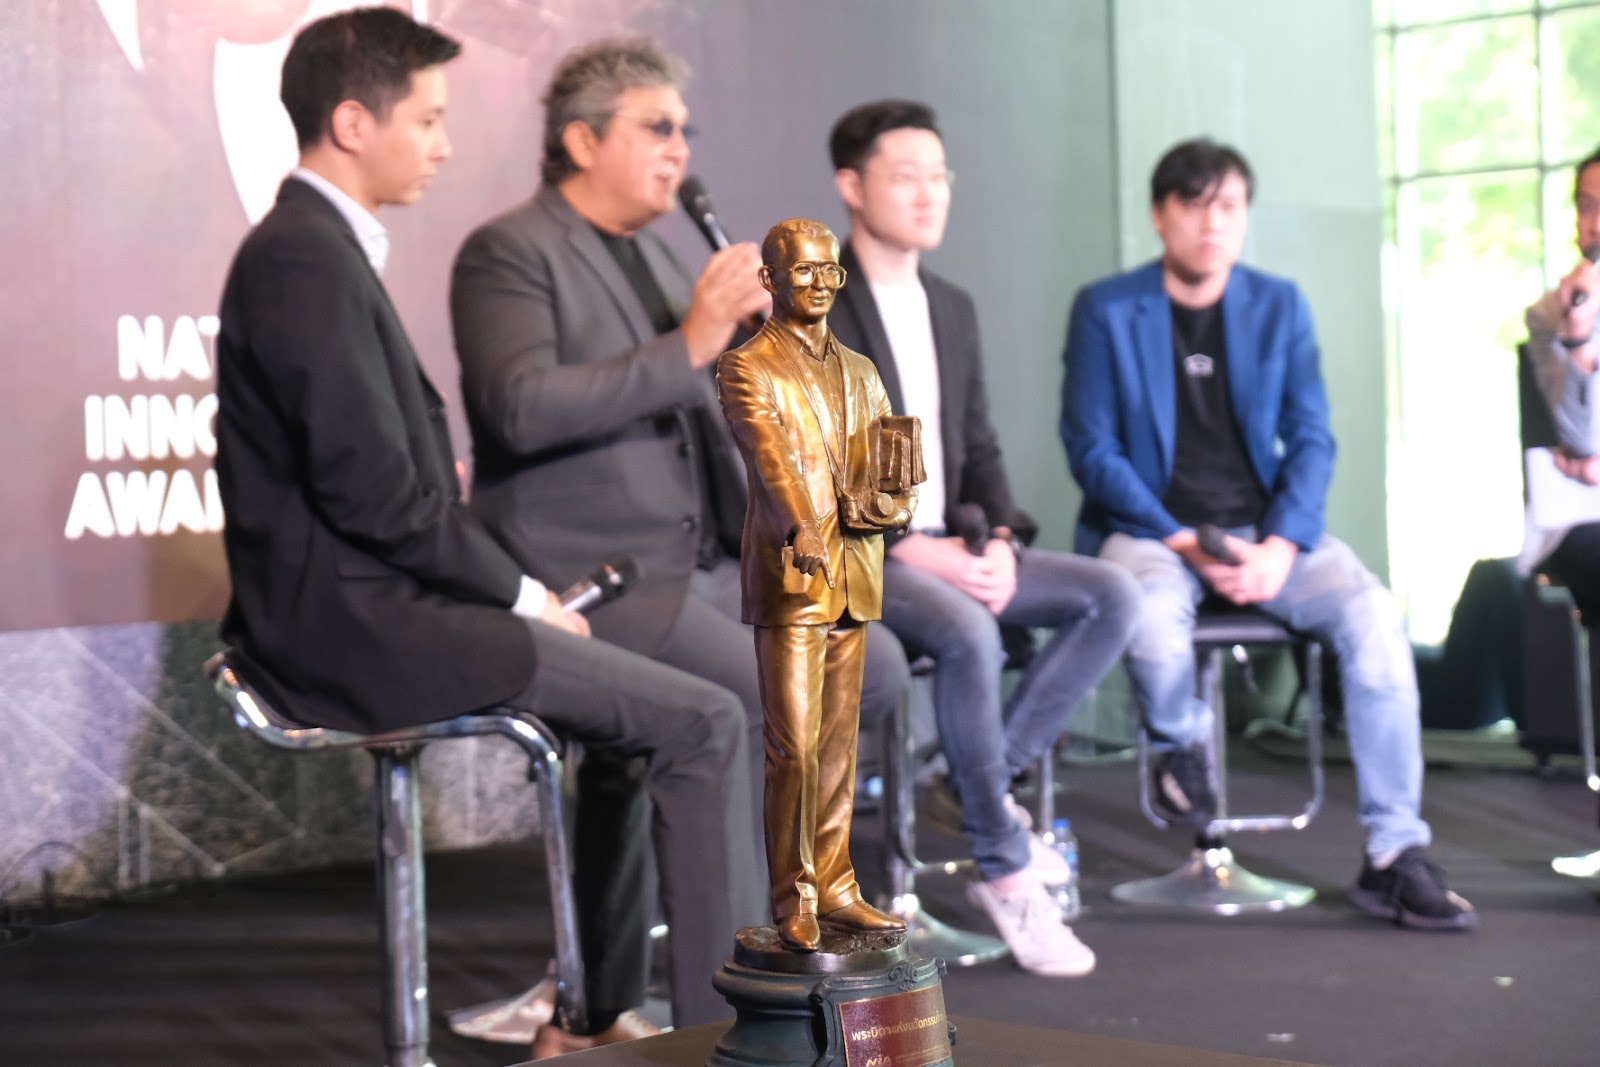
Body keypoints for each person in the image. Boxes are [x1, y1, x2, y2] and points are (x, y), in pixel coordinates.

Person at [212, 9, 756, 1054]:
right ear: (353, 123)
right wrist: (521, 594)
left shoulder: (319, 249)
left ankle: (590, 1020)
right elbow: (379, 500)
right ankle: (718, 1039)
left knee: (674, 716)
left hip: (387, 600)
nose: (444, 144)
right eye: (427, 120)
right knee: (703, 721)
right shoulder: (303, 256)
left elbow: (383, 484)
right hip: (355, 625)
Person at [448, 39, 912, 833]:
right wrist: (693, 342)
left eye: (684, 132)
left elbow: (703, 397)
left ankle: (736, 883)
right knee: (778, 690)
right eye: (657, 128)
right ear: (583, 141)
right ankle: (753, 902)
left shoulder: (657, 255)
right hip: (599, 571)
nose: (679, 151)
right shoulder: (511, 251)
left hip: (700, 557)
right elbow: (519, 409)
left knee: (876, 666)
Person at [1061, 137, 1477, 931]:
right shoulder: (1107, 309)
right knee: (1148, 618)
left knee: (1374, 617)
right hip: (1152, 531)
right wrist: (1182, 539)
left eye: (1228, 205)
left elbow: (1313, 436)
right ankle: (1184, 744)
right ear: (1159, 215)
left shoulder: (1278, 304)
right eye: (1193, 204)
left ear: (1244, 216)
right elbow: (1092, 449)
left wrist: (1282, 545)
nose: (1212, 222)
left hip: (1264, 533)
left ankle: (1394, 852)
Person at [824, 100, 1139, 976]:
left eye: (940, 175)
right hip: (863, 554)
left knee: (1111, 593)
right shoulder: (817, 306)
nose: (930, 193)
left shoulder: (950, 306)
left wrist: (997, 537)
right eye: (906, 176)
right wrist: (904, 545)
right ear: (851, 187)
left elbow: (981, 445)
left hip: (953, 541)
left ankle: (977, 789)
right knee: (967, 629)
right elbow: (811, 461)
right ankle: (1004, 867)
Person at [716, 218, 912, 951]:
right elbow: (770, 457)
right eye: (804, 271)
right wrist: (800, 525)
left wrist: (899, 497)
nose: (821, 283)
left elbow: (890, 450)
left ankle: (837, 886)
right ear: (770, 279)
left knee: (837, 747)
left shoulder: (861, 368)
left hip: (856, 567)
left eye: (831, 271)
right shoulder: (746, 367)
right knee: (793, 747)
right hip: (793, 574)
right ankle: (792, 893)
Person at [1522, 143, 1600, 613]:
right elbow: (1584, 442)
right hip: (1578, 521)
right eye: (1587, 207)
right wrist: (1578, 338)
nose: (1596, 224)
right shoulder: (1549, 316)